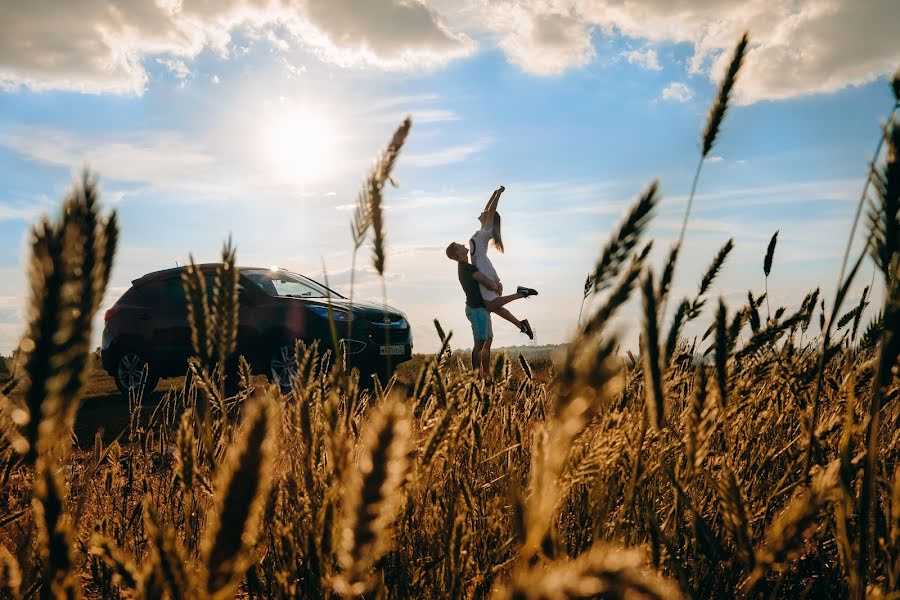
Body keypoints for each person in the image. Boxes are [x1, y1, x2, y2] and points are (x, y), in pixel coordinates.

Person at [445, 241, 533, 380]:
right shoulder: (467, 268)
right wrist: (496, 285)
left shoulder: (467, 267)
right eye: (459, 245)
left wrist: (495, 285)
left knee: (488, 341)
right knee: (479, 344)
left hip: (481, 309)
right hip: (476, 310)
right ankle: (476, 378)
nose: (462, 244)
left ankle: (486, 375)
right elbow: (487, 283)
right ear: (458, 252)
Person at [469, 186, 537, 339]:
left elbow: (491, 211)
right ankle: (521, 325)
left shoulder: (485, 233)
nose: (482, 212)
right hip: (484, 268)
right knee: (495, 306)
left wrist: (499, 194)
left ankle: (521, 294)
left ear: (489, 220)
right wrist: (493, 194)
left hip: (483, 271)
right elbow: (488, 210)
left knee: (490, 305)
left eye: (485, 214)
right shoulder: (481, 231)